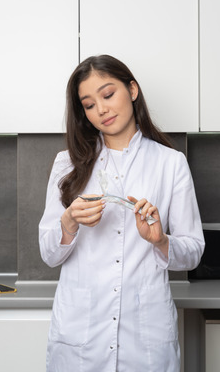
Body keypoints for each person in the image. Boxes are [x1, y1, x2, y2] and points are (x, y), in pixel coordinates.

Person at [39, 54, 205, 372]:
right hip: (81, 334)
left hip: (145, 338)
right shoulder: (67, 163)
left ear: (132, 90)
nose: (100, 109)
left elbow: (193, 252)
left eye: (108, 94)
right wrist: (69, 222)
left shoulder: (171, 163)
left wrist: (161, 241)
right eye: (88, 104)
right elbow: (49, 254)